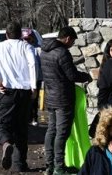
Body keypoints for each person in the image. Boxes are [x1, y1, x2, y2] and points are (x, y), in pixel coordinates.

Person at [0, 22, 40, 173]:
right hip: (24, 91)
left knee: (3, 123)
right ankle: (20, 164)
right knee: (22, 127)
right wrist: (34, 86)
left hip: (6, 91)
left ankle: (6, 143)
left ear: (6, 34)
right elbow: (32, 64)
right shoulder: (27, 47)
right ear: (21, 34)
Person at [41, 26, 92, 175]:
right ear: (68, 38)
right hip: (63, 99)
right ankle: (59, 167)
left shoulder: (45, 51)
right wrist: (86, 77)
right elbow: (72, 75)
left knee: (51, 131)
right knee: (62, 133)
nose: (72, 45)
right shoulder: (62, 53)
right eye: (73, 41)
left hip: (50, 97)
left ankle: (49, 166)